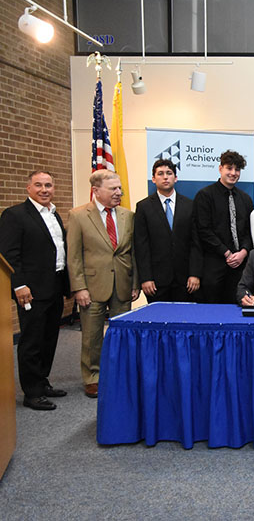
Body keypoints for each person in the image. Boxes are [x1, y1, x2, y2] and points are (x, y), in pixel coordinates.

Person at [0, 171, 71, 410]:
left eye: (49, 185)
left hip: (55, 285)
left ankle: (42, 382)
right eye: (39, 185)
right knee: (31, 341)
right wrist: (19, 285)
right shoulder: (15, 215)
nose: (44, 190)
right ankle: (32, 393)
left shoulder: (54, 214)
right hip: (31, 290)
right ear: (28, 188)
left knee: (49, 338)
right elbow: (10, 254)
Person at [67, 170, 139, 398]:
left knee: (122, 332)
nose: (119, 192)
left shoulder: (128, 215)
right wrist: (79, 287)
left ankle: (119, 372)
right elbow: (74, 255)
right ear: (96, 191)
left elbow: (132, 253)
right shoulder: (78, 216)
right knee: (92, 335)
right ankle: (92, 378)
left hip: (122, 284)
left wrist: (135, 282)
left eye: (119, 188)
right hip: (92, 285)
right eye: (113, 189)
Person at [133, 159, 202, 303]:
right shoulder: (143, 207)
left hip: (186, 281)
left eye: (169, 173)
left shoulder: (190, 205)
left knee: (184, 321)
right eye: (160, 174)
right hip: (156, 282)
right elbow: (141, 246)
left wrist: (195, 274)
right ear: (153, 179)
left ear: (175, 178)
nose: (165, 177)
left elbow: (196, 243)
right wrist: (145, 278)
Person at [193, 150, 254, 303]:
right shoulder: (205, 196)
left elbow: (249, 231)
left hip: (241, 266)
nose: (233, 173)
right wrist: (227, 253)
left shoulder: (245, 199)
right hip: (214, 265)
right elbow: (204, 230)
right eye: (229, 168)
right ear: (220, 169)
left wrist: (243, 253)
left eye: (237, 169)